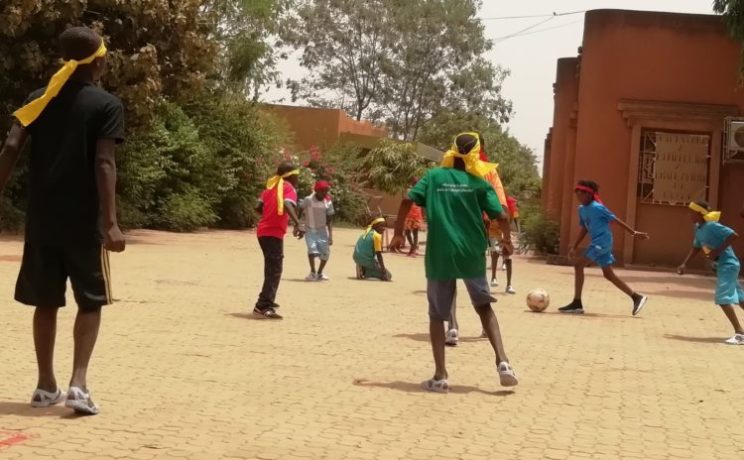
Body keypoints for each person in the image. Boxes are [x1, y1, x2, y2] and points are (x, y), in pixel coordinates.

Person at [0, 27, 126, 415]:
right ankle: (78, 385)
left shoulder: (39, 99)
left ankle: (45, 386)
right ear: (99, 62)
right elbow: (104, 163)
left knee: (46, 301)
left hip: (41, 221)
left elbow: (10, 147)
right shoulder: (106, 105)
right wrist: (111, 222)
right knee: (90, 302)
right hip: (83, 223)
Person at [390, 132, 518, 392]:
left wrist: (399, 232)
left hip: (440, 252)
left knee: (437, 316)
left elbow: (407, 199)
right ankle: (503, 362)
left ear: (452, 149)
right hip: (471, 252)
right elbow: (502, 215)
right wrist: (506, 240)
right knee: (484, 307)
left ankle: (440, 376)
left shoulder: (433, 177)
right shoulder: (479, 183)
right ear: (476, 153)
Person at [559, 180, 650, 316]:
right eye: (576, 194)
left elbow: (615, 220)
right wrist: (575, 246)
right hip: (597, 242)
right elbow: (585, 228)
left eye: (580, 194)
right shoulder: (581, 209)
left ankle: (577, 303)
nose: (578, 197)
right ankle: (637, 297)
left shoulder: (598, 207)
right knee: (608, 274)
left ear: (589, 194)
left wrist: (633, 232)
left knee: (578, 265)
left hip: (603, 242)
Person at [678, 201, 744, 345]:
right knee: (740, 298)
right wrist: (685, 264)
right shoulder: (698, 228)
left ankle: (740, 334)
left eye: (691, 212)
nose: (689, 215)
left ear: (699, 214)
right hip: (722, 266)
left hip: (728, 265)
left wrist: (717, 251)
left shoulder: (712, 226)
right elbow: (696, 247)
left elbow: (733, 235)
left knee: (723, 299)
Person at [254, 161, 303, 319]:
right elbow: (288, 204)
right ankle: (263, 305)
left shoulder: (270, 187)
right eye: (297, 175)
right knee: (274, 270)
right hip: (273, 233)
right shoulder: (288, 188)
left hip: (263, 231)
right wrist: (298, 223)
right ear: (291, 176)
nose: (298, 179)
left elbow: (258, 207)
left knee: (271, 268)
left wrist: (270, 215)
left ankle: (266, 299)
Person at [299, 180, 334, 281]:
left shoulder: (328, 201)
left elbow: (330, 220)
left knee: (325, 253)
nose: (324, 193)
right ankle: (312, 272)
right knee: (312, 250)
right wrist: (299, 225)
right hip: (310, 229)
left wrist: (330, 236)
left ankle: (319, 273)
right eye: (322, 190)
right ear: (316, 190)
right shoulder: (308, 199)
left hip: (322, 231)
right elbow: (300, 208)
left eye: (326, 190)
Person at [488, 218, 515, 294]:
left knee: (508, 257)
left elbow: (509, 221)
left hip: (505, 233)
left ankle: (509, 285)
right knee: (495, 252)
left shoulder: (508, 210)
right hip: (492, 233)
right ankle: (493, 278)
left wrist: (507, 235)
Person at [404, 177, 424, 257]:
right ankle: (412, 247)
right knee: (407, 232)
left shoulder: (420, 192)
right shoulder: (409, 191)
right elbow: (406, 200)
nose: (415, 184)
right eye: (414, 182)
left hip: (416, 214)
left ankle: (413, 250)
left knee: (415, 233)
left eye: (416, 182)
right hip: (409, 213)